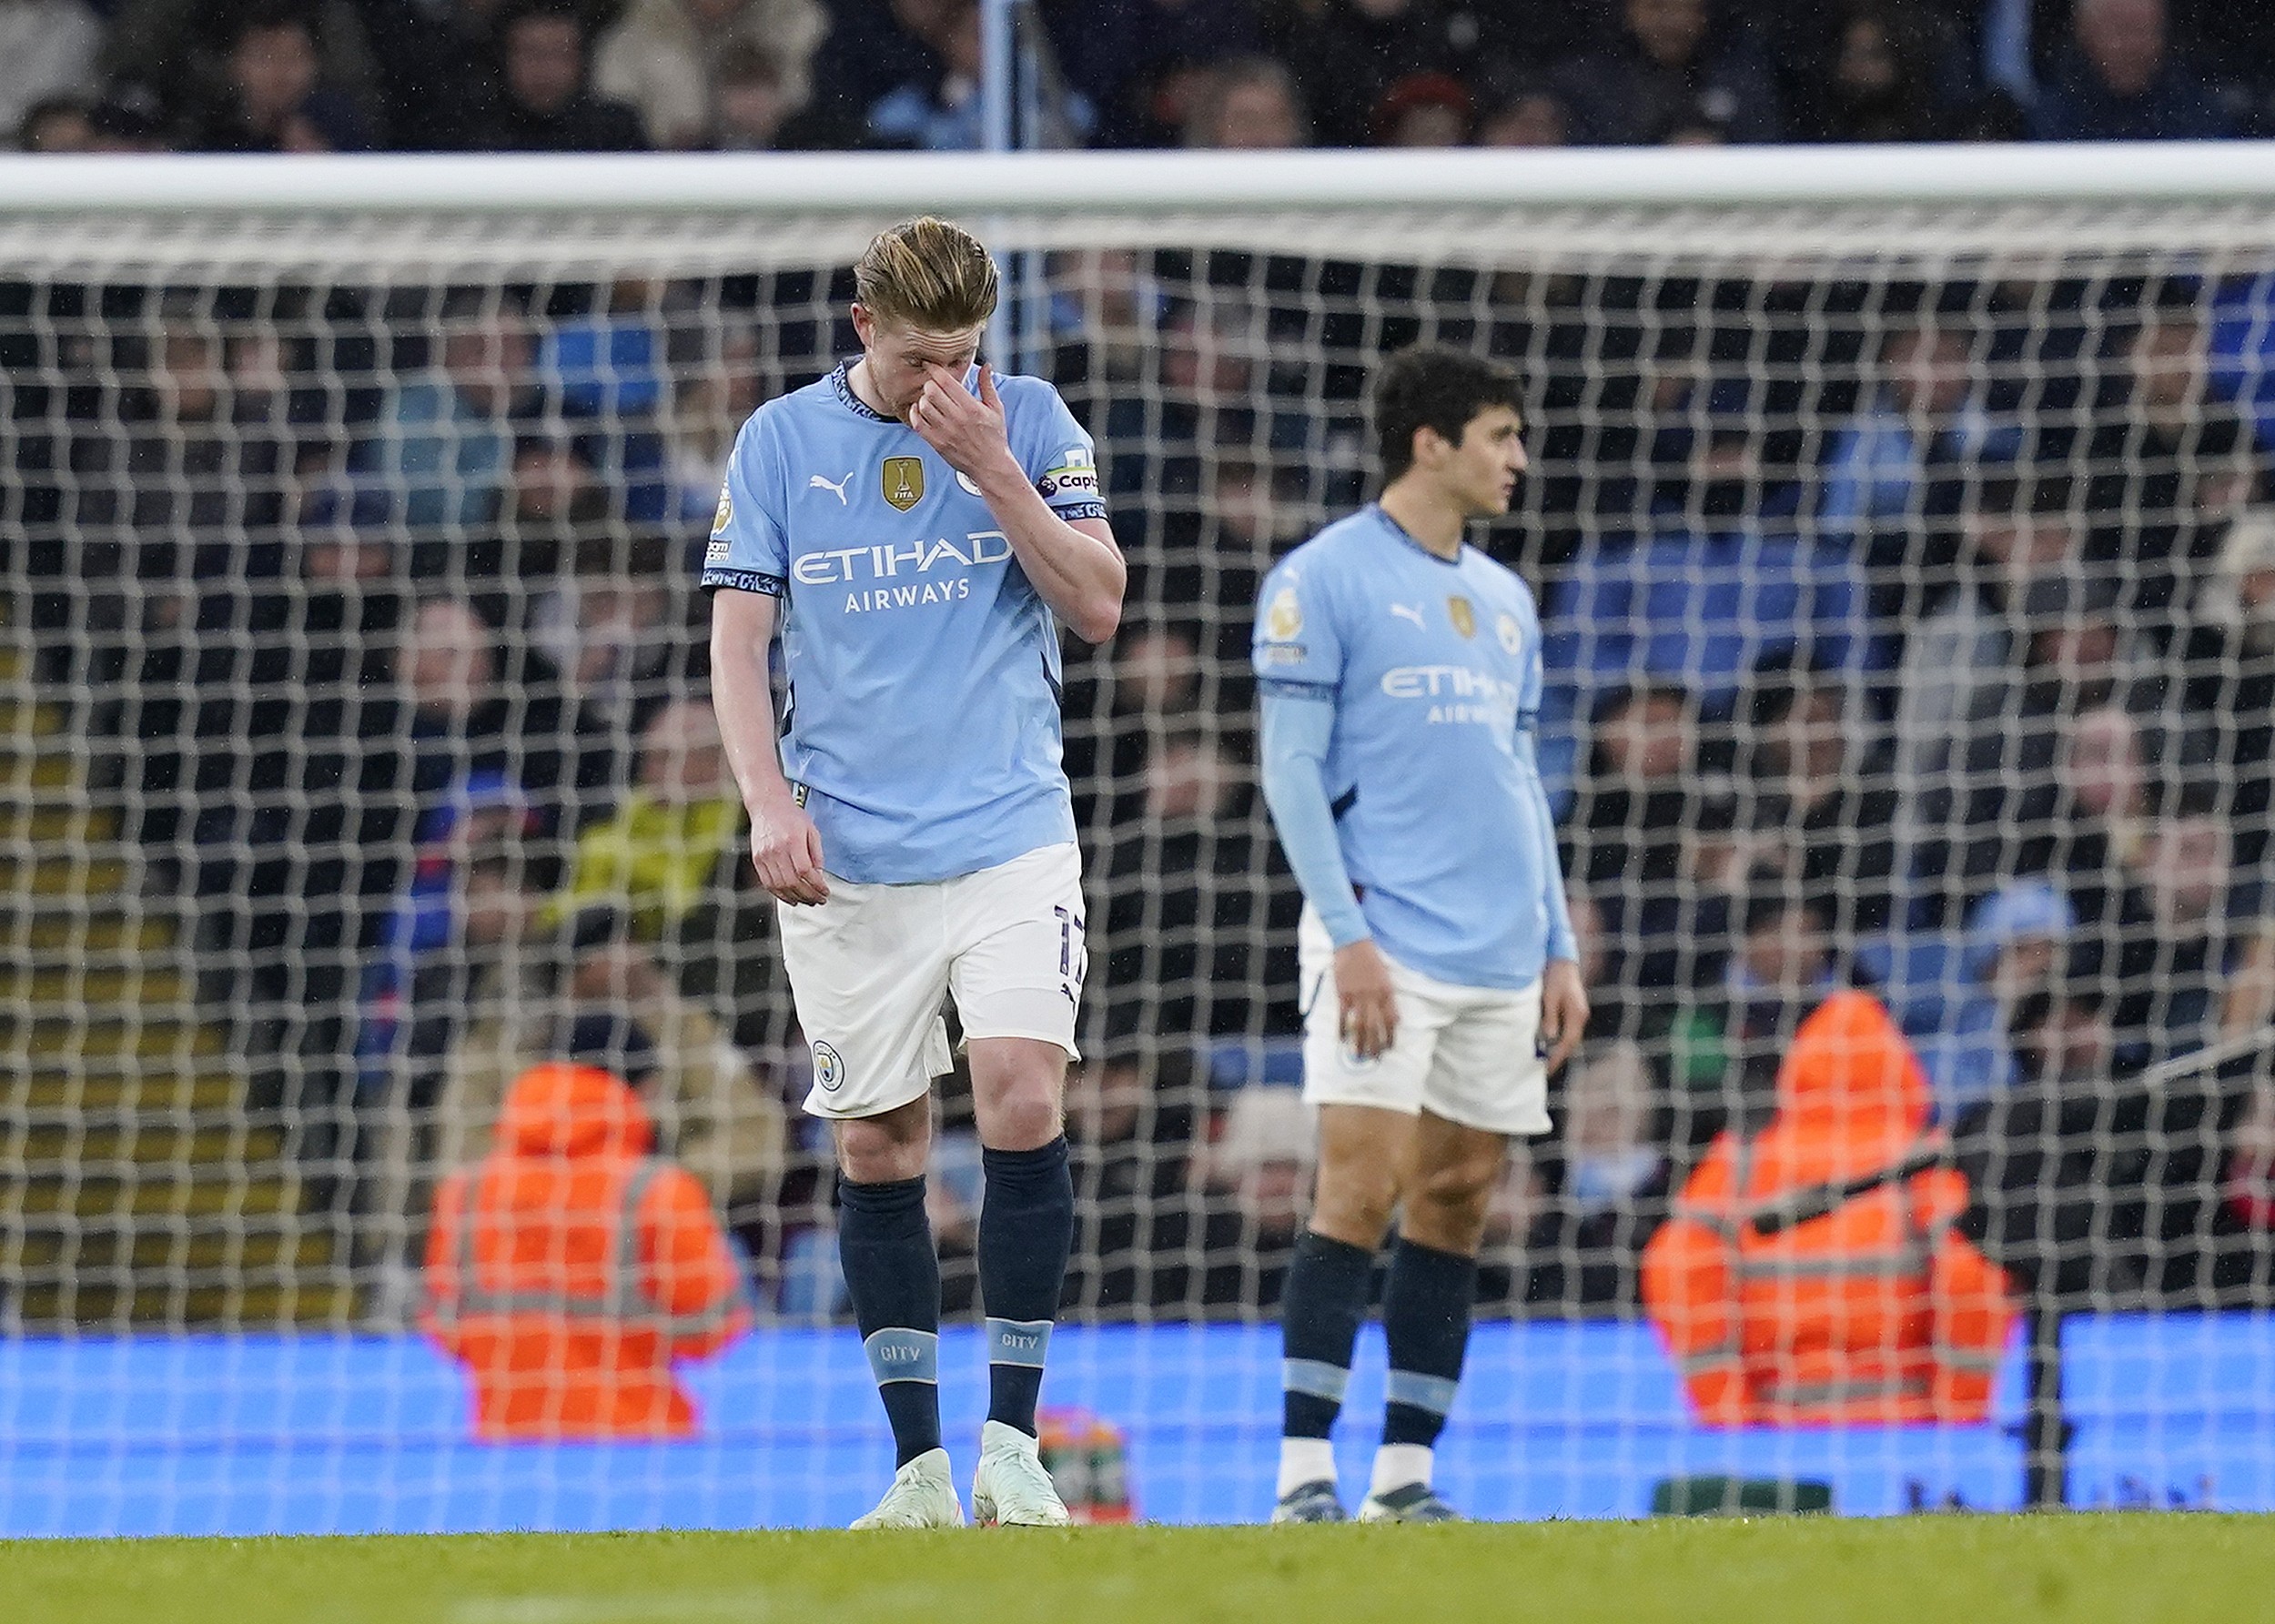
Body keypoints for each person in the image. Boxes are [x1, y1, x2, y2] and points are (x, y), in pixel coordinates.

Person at [706, 217, 1123, 1528]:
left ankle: (1015, 1446)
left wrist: (994, 469)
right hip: (851, 856)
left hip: (1010, 832)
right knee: (880, 1145)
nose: (946, 381)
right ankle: (918, 1472)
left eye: (965, 355)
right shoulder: (780, 442)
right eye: (919, 359)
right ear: (862, 329)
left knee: (1020, 1094)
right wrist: (766, 803)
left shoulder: (1031, 420)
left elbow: (1099, 604)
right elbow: (737, 642)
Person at [1252, 345, 1587, 1523]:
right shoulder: (1321, 579)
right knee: (1354, 1191)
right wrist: (1345, 936)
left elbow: (1518, 782)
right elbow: (1290, 773)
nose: (1518, 458)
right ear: (1431, 444)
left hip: (1502, 951)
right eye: (1501, 435)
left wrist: (1559, 946)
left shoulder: (1506, 601)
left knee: (1457, 1200)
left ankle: (1405, 1479)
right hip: (1381, 939)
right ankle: (1303, 1475)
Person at [1641, 989, 2017, 1426]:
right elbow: (1972, 1274)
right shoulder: (1926, 1164)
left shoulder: (1740, 1166)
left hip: (1775, 1431)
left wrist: (1729, 1412)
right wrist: (1959, 1411)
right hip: (1901, 1433)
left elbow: (1676, 1266)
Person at [422, 1060, 752, 1438]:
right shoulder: (658, 1191)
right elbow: (711, 1331)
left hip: (508, 1445)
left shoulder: (465, 1192)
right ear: (640, 1088)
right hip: (642, 1441)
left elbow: (446, 1330)